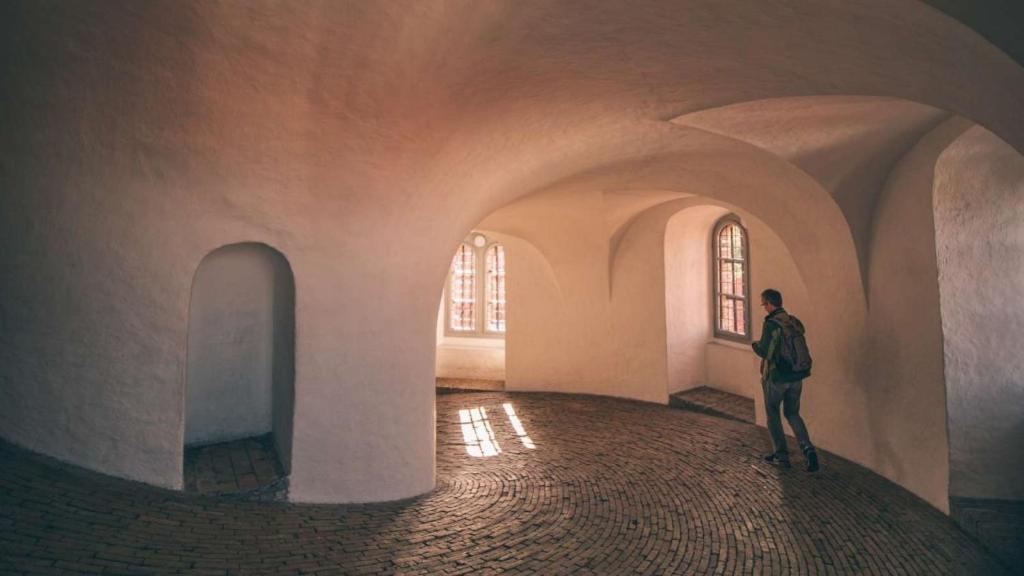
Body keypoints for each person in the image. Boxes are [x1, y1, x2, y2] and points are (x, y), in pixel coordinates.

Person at [751, 288, 819, 472]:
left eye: (764, 304)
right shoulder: (792, 321)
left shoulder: (772, 324)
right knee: (793, 413)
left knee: (773, 415)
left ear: (770, 304)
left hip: (777, 377)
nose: (764, 308)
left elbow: (765, 351)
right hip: (797, 376)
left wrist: (754, 345)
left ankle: (781, 456)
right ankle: (808, 449)